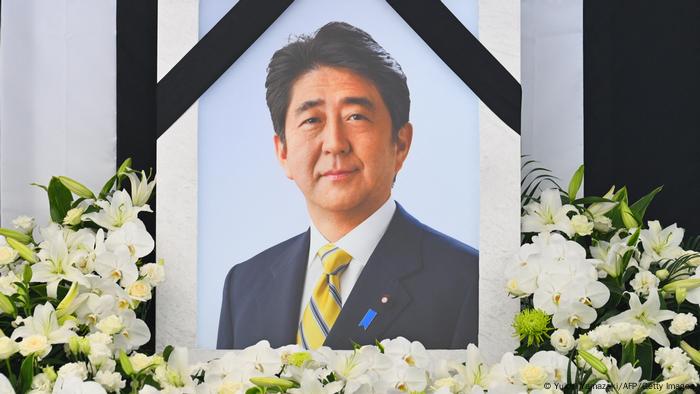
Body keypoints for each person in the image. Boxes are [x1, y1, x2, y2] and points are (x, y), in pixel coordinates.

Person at [217, 21, 478, 350]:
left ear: (400, 143)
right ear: (282, 151)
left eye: (355, 116)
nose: (335, 144)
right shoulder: (243, 286)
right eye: (312, 120)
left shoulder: (467, 280)